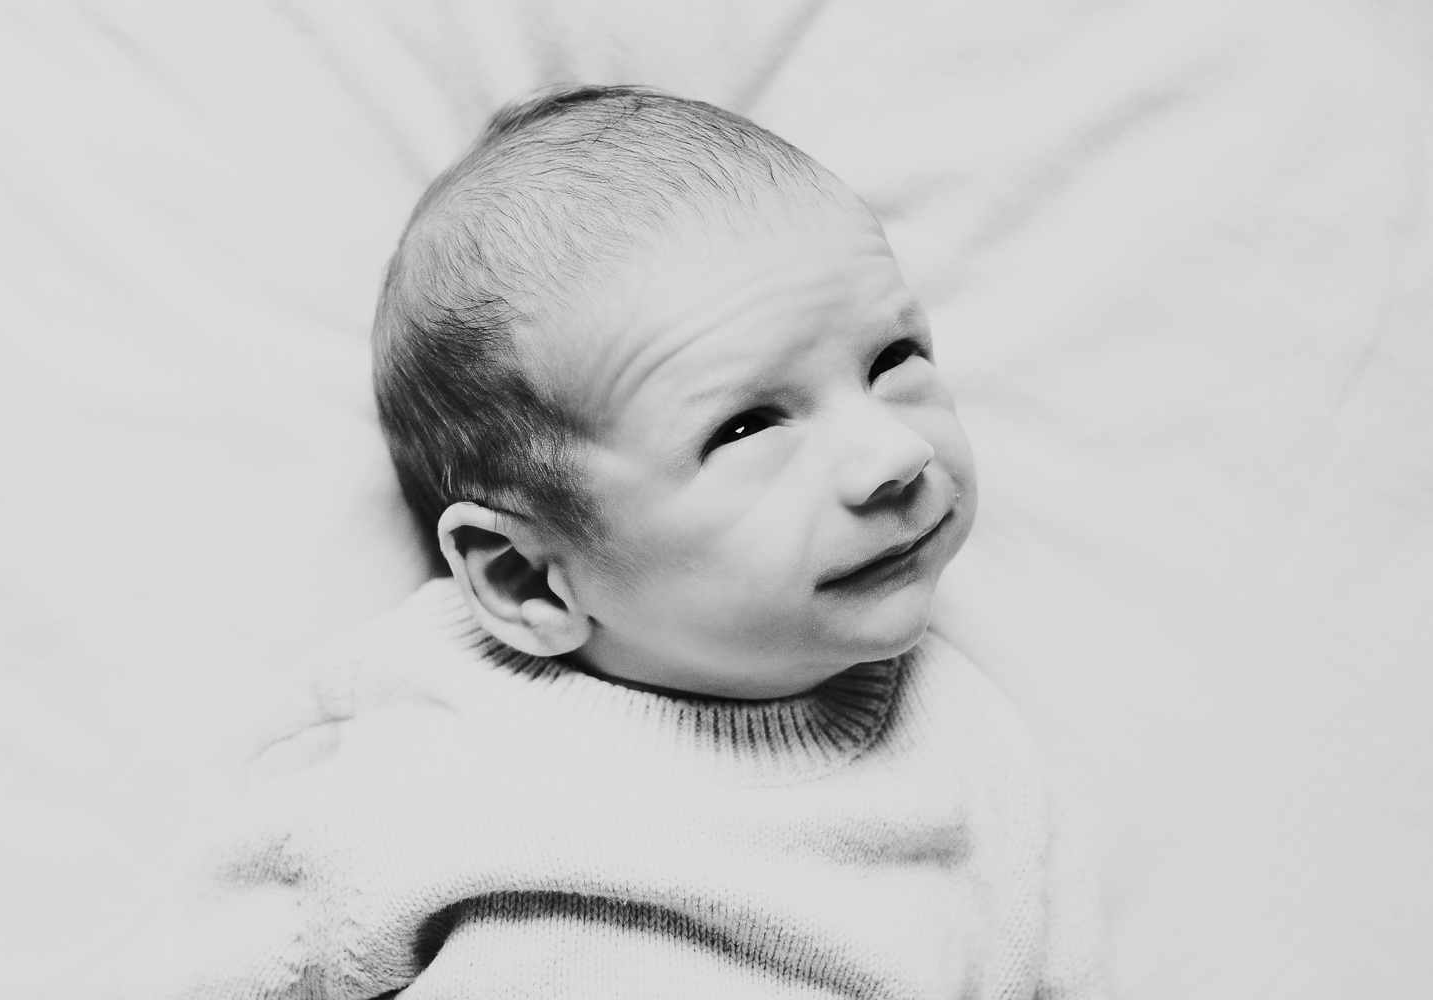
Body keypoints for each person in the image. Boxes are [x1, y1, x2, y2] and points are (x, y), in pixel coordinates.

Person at [88, 84, 1109, 999]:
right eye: (749, 426)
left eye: (893, 357)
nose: (889, 452)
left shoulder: (972, 759)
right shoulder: (423, 757)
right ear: (526, 576)